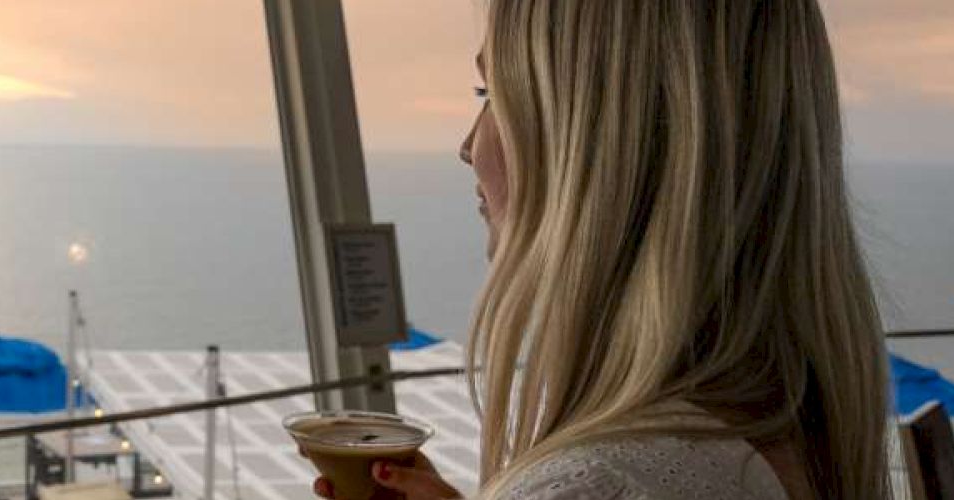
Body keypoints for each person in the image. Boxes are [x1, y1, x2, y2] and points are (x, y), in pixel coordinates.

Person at [312, 0, 888, 498]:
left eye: (496, 93)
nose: (469, 145)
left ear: (603, 143)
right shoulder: (769, 431)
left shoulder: (606, 481)